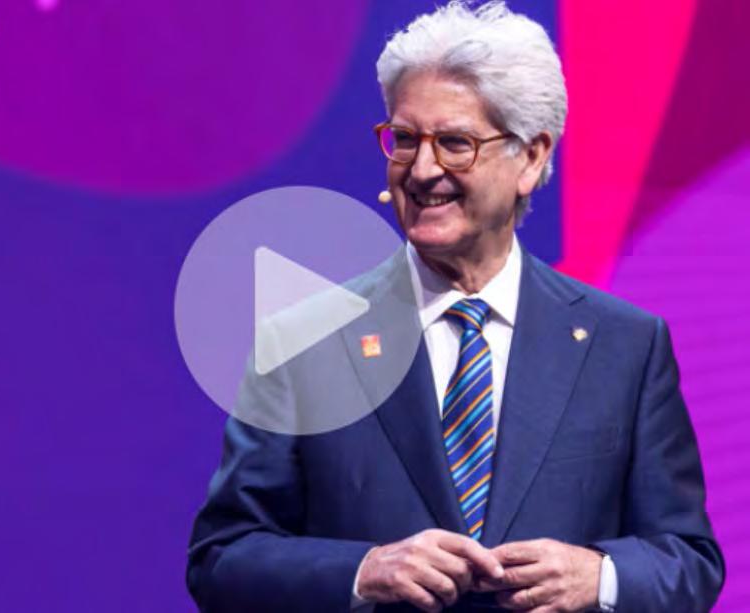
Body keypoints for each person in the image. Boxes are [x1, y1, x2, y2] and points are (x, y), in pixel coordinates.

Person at [186, 2, 725, 611]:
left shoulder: (624, 345)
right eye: (404, 140)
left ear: (531, 157)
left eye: (454, 144)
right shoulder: (305, 342)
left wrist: (599, 576)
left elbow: (689, 560)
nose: (421, 170)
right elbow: (222, 559)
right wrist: (362, 571)